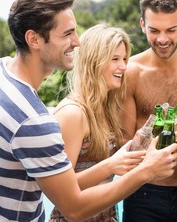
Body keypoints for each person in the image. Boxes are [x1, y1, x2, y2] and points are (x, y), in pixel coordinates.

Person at [0, 0, 177, 222]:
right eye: (67, 34)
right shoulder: (38, 121)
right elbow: (72, 206)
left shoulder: (4, 71)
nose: (77, 42)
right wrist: (145, 171)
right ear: (33, 39)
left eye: (124, 59)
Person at [120, 0, 177, 222]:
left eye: (171, 30)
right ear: (142, 25)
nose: (162, 39)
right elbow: (124, 143)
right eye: (154, 30)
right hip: (143, 192)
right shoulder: (131, 72)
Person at [49, 24, 145, 221]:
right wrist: (110, 166)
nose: (124, 66)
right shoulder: (73, 113)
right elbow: (58, 191)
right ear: (94, 61)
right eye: (115, 59)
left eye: (125, 59)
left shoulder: (105, 108)